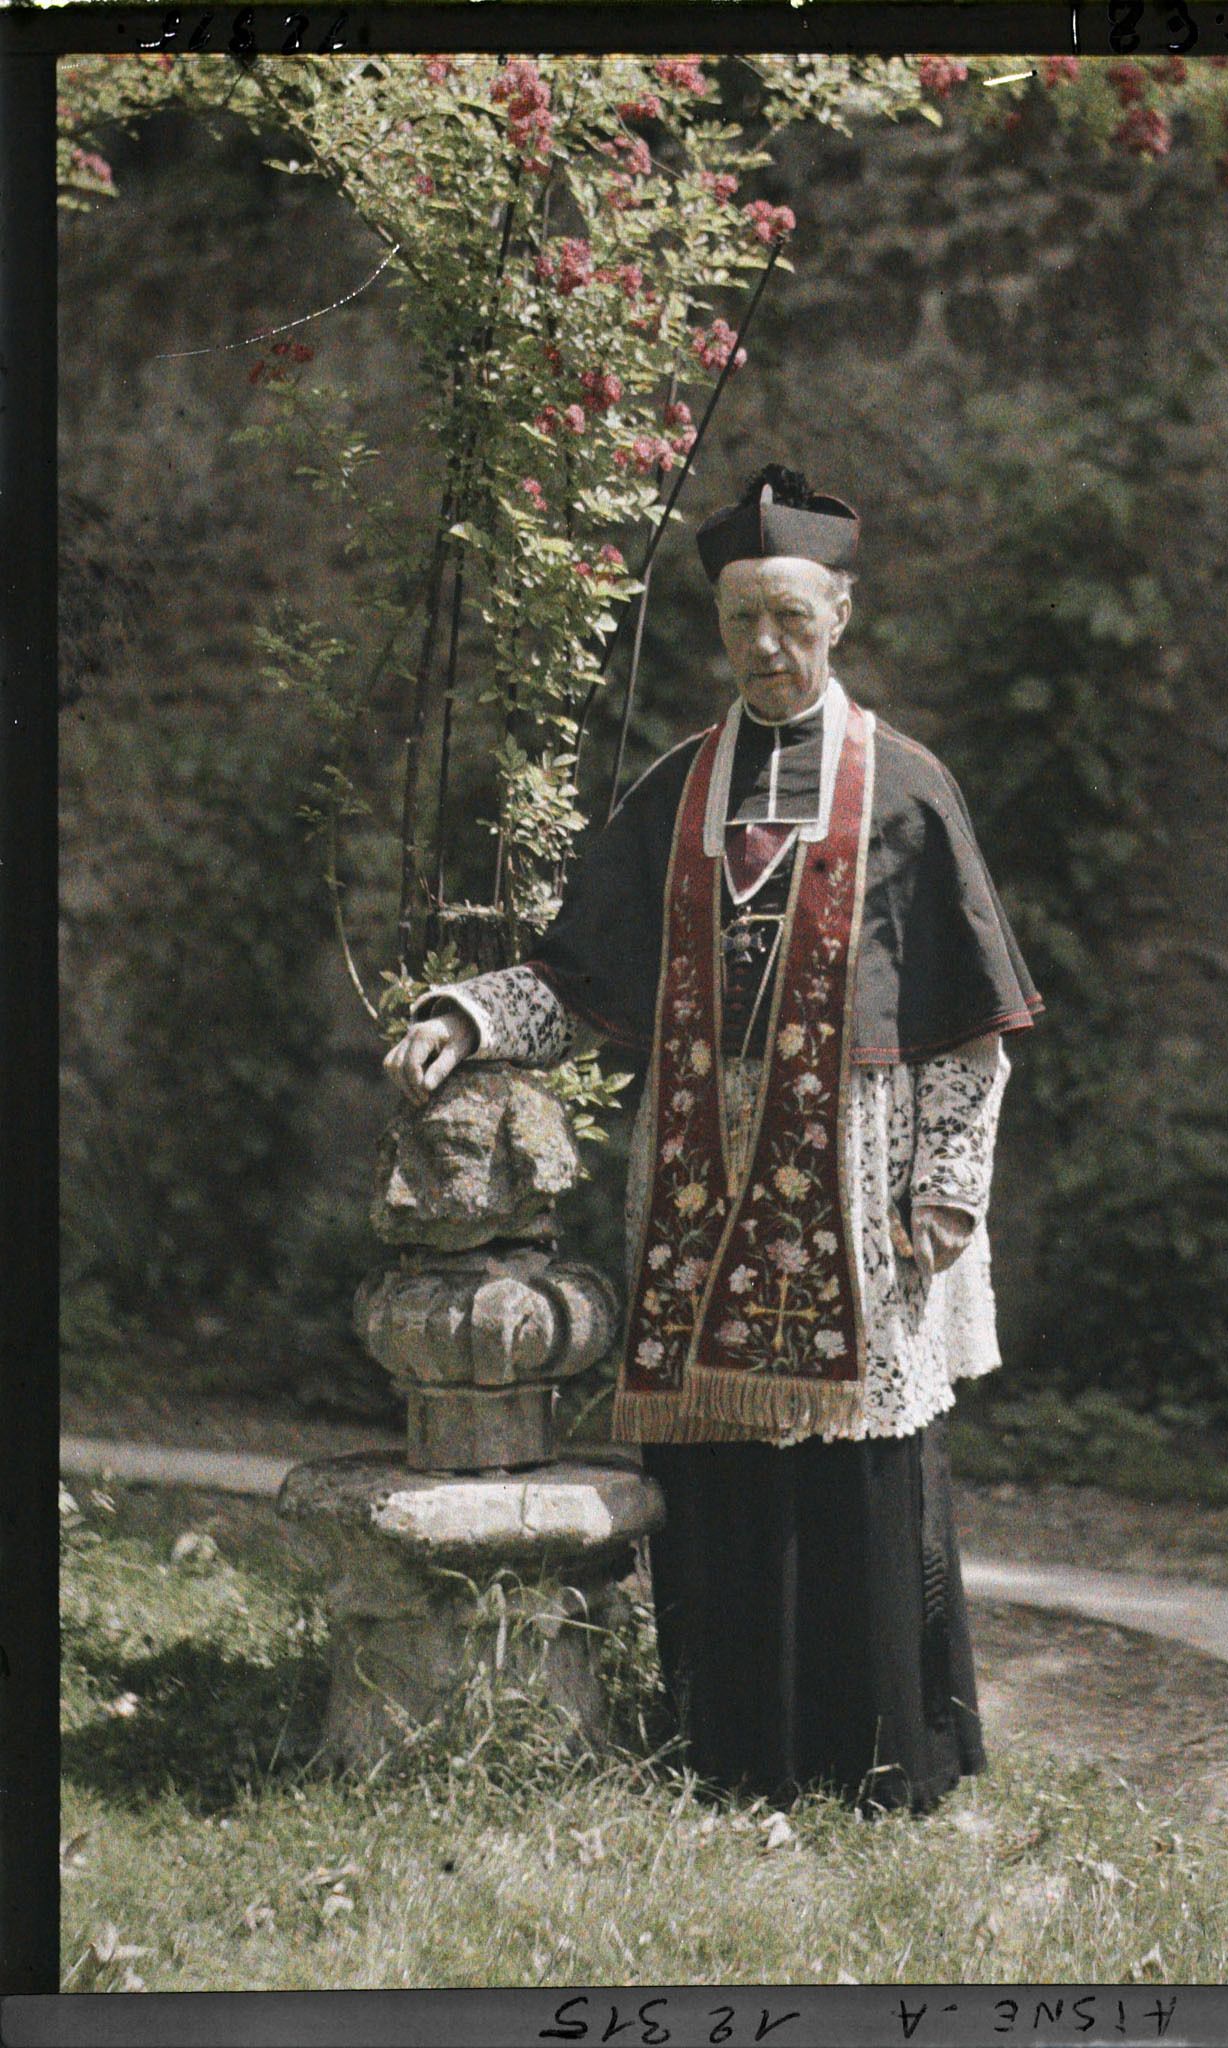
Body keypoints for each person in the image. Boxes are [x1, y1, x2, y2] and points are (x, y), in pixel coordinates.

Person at [386, 465, 1042, 1813]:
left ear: (841, 612)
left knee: (862, 1470)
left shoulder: (909, 791)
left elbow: (969, 1029)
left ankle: (883, 1767)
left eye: (792, 617)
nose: (766, 646)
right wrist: (466, 1016)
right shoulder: (676, 792)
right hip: (695, 1182)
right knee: (718, 1477)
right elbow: (578, 981)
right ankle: (724, 1753)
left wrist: (947, 1186)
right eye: (744, 619)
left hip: (859, 1188)